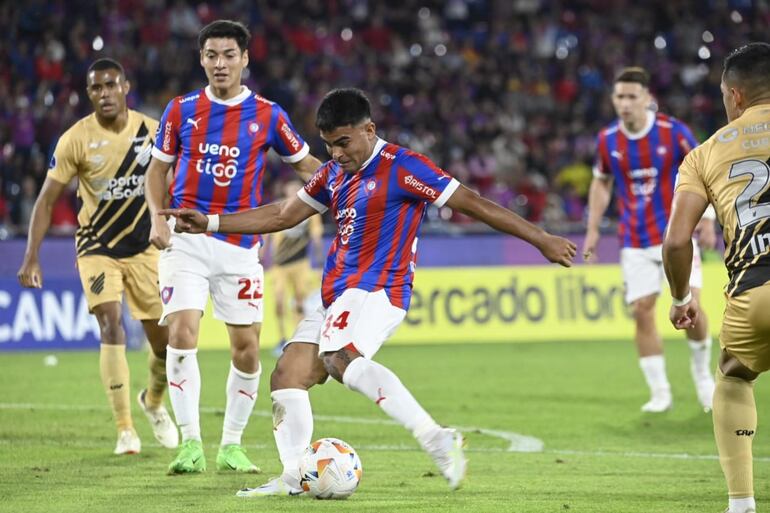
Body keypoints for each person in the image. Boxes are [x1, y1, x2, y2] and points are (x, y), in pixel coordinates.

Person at [160, 88, 577, 494]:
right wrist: (212, 222)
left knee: (340, 358)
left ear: (368, 130)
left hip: (380, 289)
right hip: (336, 295)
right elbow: (284, 213)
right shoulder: (332, 174)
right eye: (328, 145)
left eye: (343, 143)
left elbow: (472, 202)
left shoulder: (403, 166)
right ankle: (295, 477)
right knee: (288, 374)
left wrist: (540, 238)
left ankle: (436, 438)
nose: (337, 153)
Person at [144, 19, 322, 475]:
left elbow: (307, 167)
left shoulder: (269, 115)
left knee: (246, 347)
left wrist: (356, 186)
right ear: (201, 60)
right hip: (184, 240)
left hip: (241, 245)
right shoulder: (181, 109)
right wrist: (156, 221)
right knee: (182, 335)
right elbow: (156, 172)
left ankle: (231, 445)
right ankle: (190, 444)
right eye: (211, 56)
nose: (219, 64)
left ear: (245, 59)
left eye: (228, 55)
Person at [17, 58, 178, 455]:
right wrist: (31, 256)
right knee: (110, 323)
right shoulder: (75, 138)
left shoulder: (153, 132)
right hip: (96, 246)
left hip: (144, 248)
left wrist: (171, 224)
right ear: (89, 93)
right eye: (96, 88)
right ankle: (125, 429)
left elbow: (173, 182)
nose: (104, 93)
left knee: (164, 344)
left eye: (110, 85)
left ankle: (153, 402)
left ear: (125, 86)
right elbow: (46, 198)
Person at [663, 42, 770, 513]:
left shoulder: (704, 154)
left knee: (733, 376)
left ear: (735, 95)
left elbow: (675, 242)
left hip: (756, 290)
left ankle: (741, 502)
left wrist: (682, 296)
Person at [583, 67, 717, 413]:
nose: (625, 103)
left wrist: (707, 217)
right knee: (642, 311)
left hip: (677, 236)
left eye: (631, 96)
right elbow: (601, 182)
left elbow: (705, 168)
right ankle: (660, 392)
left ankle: (703, 377)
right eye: (619, 97)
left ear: (646, 98)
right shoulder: (607, 139)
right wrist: (593, 229)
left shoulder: (673, 132)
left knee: (692, 309)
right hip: (634, 239)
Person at [267, 179, 324, 356]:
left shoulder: (310, 212)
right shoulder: (279, 209)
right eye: (290, 189)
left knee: (300, 302)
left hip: (301, 263)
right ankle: (282, 337)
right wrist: (261, 253)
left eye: (295, 190)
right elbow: (266, 231)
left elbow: (316, 236)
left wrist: (319, 260)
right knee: (278, 302)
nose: (292, 193)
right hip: (280, 265)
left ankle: (297, 338)